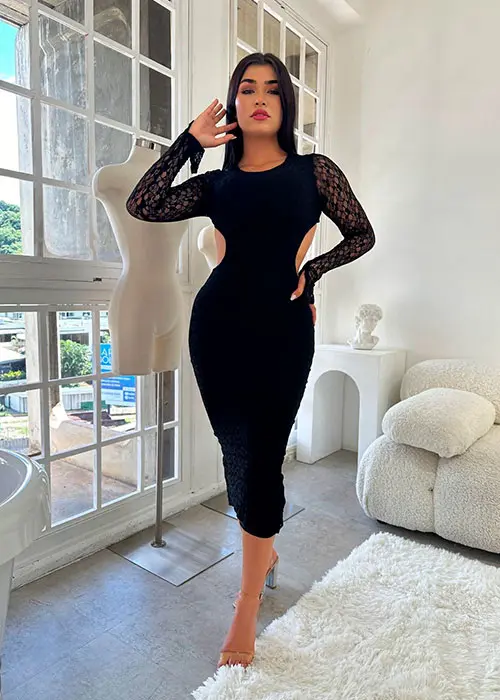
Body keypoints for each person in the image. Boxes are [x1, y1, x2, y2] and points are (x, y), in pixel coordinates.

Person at [126, 52, 375, 669]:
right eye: (246, 89)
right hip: (217, 332)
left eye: (271, 89)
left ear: (285, 103)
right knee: (239, 455)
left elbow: (361, 234)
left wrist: (313, 271)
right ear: (233, 104)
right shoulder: (218, 185)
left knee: (263, 457)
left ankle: (245, 601)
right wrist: (190, 140)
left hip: (283, 334)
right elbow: (144, 204)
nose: (259, 98)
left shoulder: (315, 172)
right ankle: (263, 553)